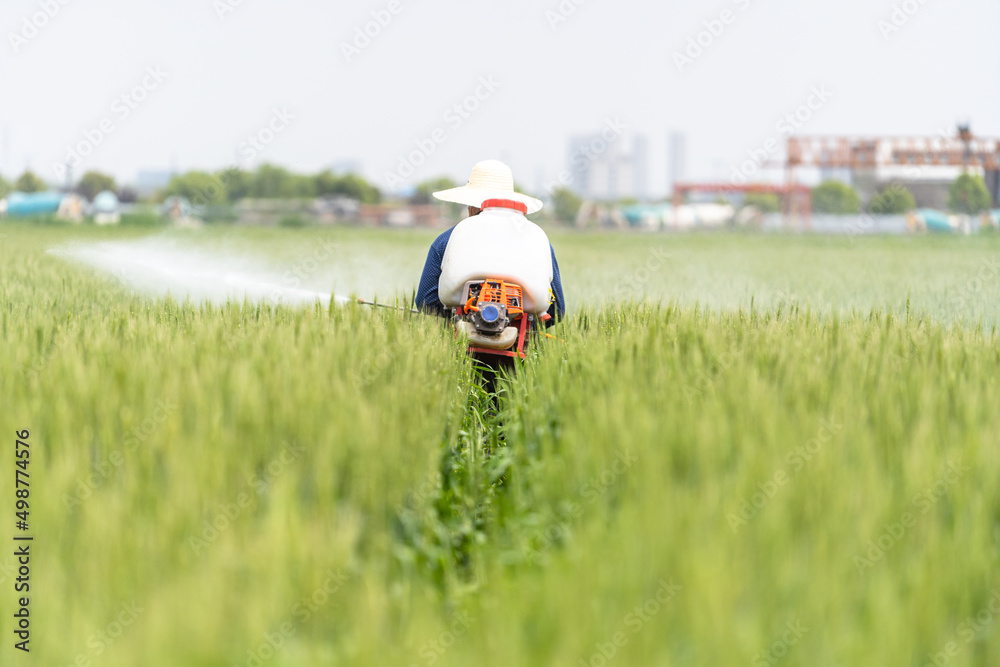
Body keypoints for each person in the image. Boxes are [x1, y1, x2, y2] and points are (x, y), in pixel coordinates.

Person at [415, 159, 565, 326]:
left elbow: (425, 301)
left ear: (471, 206)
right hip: (519, 339)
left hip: (462, 334)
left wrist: (461, 318)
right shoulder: (538, 239)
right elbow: (556, 311)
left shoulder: (448, 239)